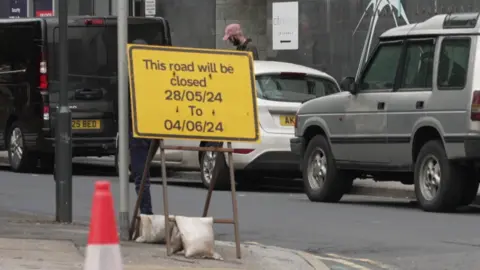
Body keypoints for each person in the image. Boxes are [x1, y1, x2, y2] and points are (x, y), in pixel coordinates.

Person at [129, 39, 153, 215]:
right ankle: (146, 213)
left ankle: (146, 215)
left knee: (141, 176)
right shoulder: (153, 74)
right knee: (142, 175)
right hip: (152, 129)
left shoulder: (134, 75)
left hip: (139, 129)